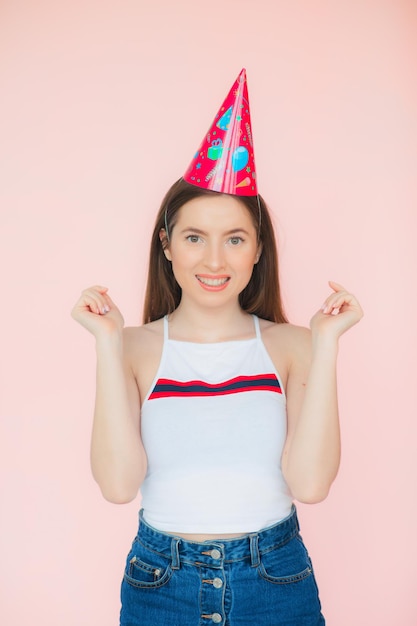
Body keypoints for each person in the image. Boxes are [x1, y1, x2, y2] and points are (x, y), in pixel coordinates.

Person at [71, 70, 363, 626]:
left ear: (257, 250)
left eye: (234, 239)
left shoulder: (293, 346)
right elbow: (117, 485)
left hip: (275, 579)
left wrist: (326, 345)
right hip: (160, 582)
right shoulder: (131, 347)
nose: (213, 261)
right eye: (194, 237)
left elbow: (311, 484)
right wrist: (108, 344)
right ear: (167, 246)